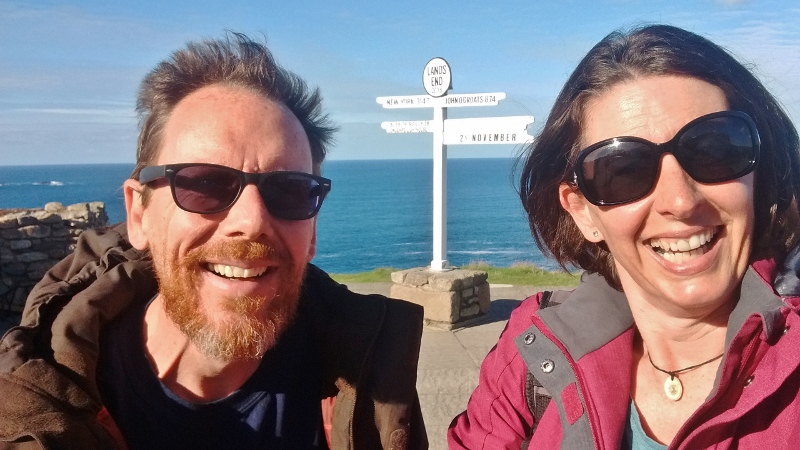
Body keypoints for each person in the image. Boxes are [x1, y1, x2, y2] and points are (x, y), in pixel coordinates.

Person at [0, 32, 427, 449]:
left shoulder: (370, 375)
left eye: (290, 191)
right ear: (138, 214)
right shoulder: (31, 409)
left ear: (312, 231)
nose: (253, 220)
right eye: (204, 184)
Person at [449, 24, 800, 449]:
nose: (680, 201)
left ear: (759, 172)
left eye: (714, 150)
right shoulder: (530, 356)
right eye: (624, 170)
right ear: (582, 212)